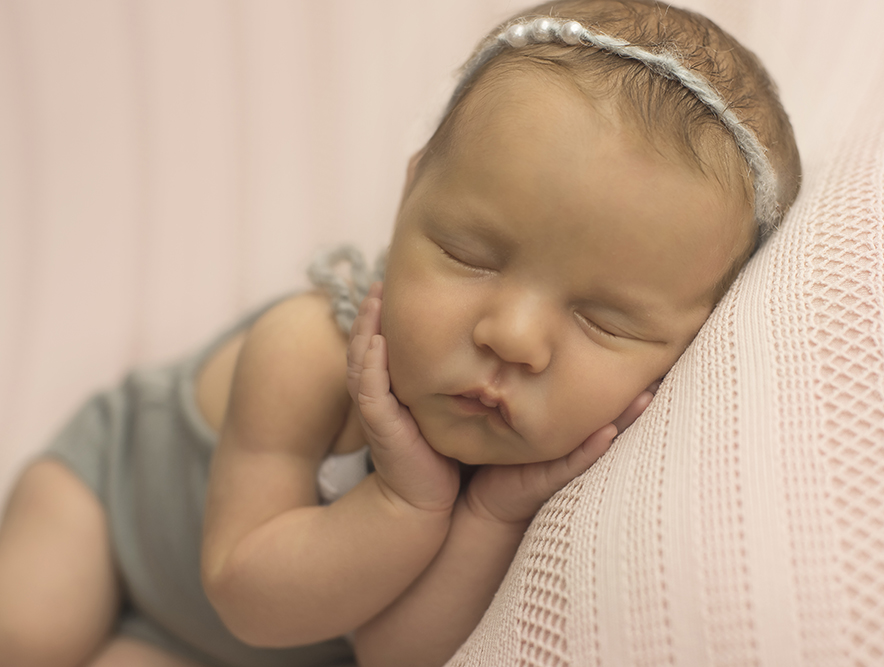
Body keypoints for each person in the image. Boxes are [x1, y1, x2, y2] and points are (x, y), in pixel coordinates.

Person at [0, 1, 801, 666]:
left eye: (604, 319)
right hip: (115, 507)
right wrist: (404, 501)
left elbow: (394, 655)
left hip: (210, 646)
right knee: (32, 628)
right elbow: (242, 586)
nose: (513, 337)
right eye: (468, 255)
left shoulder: (537, 457)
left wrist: (487, 518)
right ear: (411, 191)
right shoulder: (307, 350)